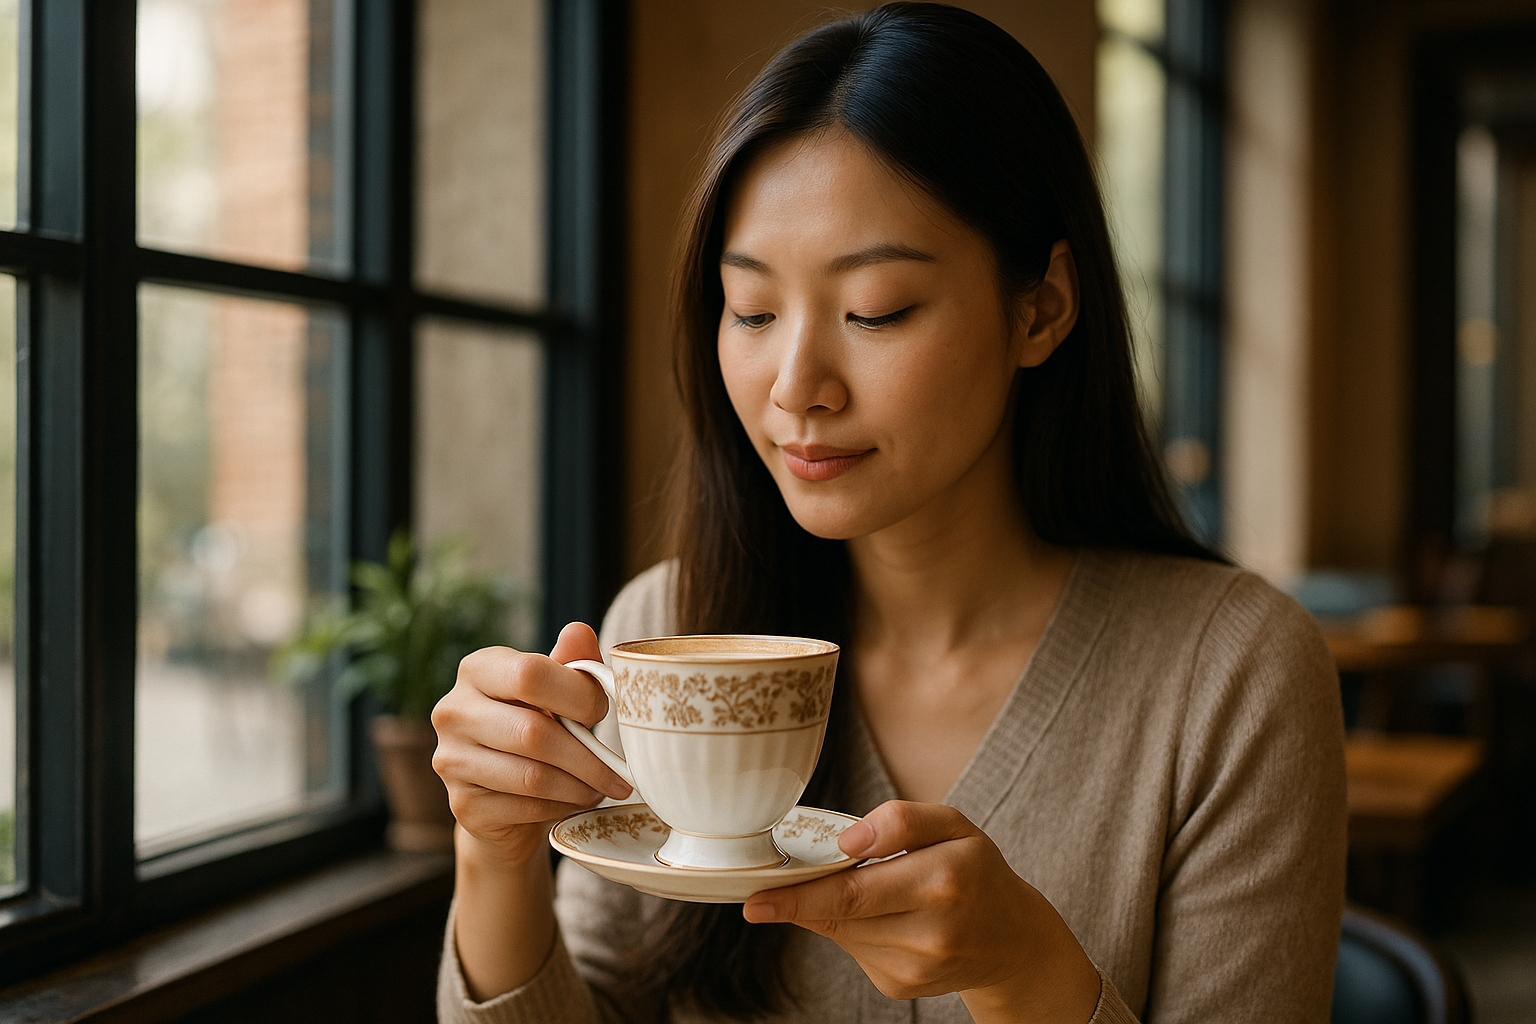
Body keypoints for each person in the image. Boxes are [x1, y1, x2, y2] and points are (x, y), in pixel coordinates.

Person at [430, 4, 1346, 1022]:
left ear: (1040, 308)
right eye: (753, 312)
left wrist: (1024, 971)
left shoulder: (1231, 679)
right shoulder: (665, 634)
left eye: (876, 311)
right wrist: (495, 855)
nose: (796, 386)